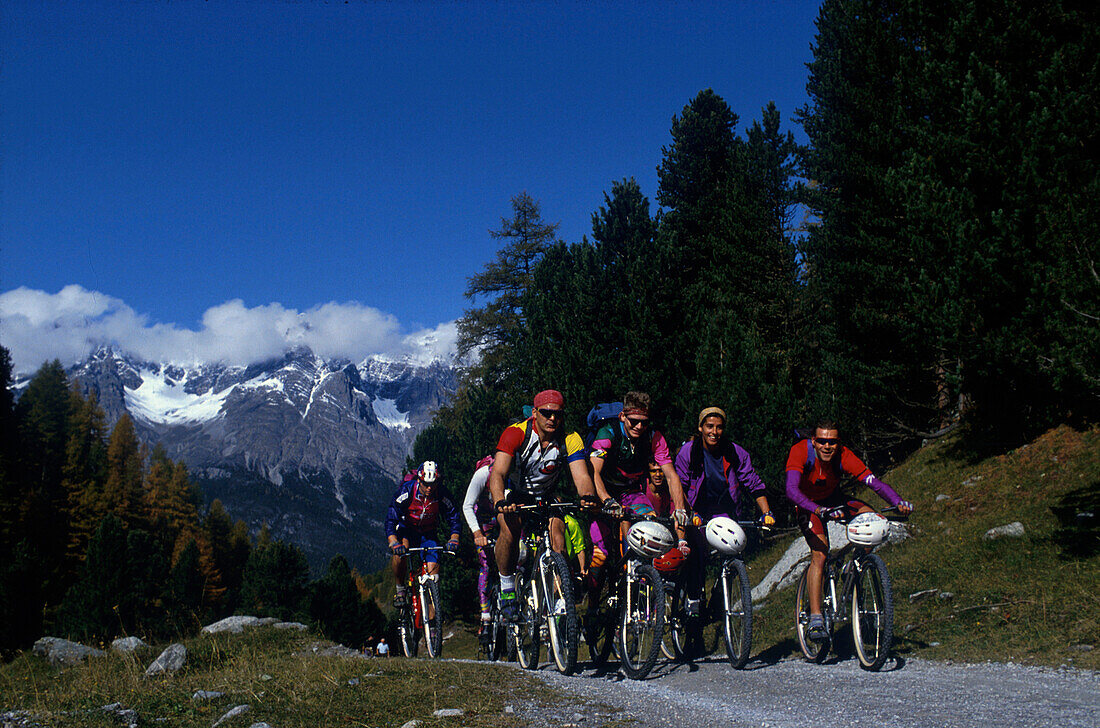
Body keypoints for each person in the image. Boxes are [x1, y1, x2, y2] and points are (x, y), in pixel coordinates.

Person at [786, 419, 913, 640]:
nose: (827, 446)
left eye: (832, 442)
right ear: (814, 441)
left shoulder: (844, 455)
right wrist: (818, 509)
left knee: (875, 520)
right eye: (823, 441)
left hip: (833, 499)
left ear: (839, 443)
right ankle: (816, 618)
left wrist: (898, 501)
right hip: (808, 505)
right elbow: (791, 490)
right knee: (820, 554)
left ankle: (853, 567)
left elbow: (874, 482)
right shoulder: (800, 451)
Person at [488, 389, 598, 620]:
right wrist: (500, 501)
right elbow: (497, 473)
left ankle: (558, 597)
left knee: (558, 536)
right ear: (535, 412)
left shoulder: (570, 438)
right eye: (546, 413)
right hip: (515, 493)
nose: (552, 419)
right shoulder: (515, 433)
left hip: (547, 494)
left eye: (557, 414)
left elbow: (581, 476)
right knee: (508, 529)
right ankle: (507, 585)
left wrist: (587, 496)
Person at [674, 406, 775, 615]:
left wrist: (767, 514)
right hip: (696, 508)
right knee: (698, 549)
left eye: (719, 427)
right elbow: (679, 487)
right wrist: (690, 512)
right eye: (709, 426)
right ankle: (694, 597)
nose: (714, 432)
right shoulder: (689, 452)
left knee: (735, 546)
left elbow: (753, 483)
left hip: (724, 508)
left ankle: (720, 596)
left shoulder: (735, 452)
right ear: (700, 428)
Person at [384, 460, 461, 609]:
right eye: (425, 484)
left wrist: (454, 537)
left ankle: (432, 627)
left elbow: (454, 516)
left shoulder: (442, 494)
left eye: (433, 483)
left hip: (428, 533)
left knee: (434, 575)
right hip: (407, 530)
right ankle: (400, 590)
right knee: (400, 554)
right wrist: (393, 541)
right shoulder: (406, 492)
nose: (429, 488)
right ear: (419, 480)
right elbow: (391, 517)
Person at [462, 454, 499, 641]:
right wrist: (477, 534)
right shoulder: (483, 474)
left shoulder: (515, 472)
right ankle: (485, 617)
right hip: (484, 518)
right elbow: (467, 506)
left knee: (521, 555)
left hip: (504, 515)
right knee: (486, 565)